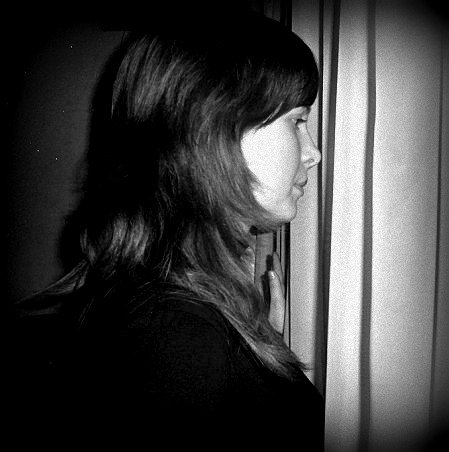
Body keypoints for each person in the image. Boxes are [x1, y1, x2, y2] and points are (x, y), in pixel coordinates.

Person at [10, 7, 323, 449]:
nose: (313, 153)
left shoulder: (174, 306)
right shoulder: (178, 336)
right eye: (298, 121)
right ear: (213, 129)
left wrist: (256, 356)